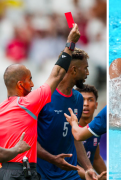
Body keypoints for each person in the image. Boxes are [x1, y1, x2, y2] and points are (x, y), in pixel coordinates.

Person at [0, 24, 80, 179]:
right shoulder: (28, 103)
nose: (32, 84)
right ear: (20, 85)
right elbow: (57, 74)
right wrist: (70, 43)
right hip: (22, 172)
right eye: (29, 80)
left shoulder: (1, 110)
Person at [36, 43, 100, 179]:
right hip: (43, 174)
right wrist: (52, 159)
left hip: (70, 174)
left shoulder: (78, 98)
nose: (88, 73)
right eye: (85, 68)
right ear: (74, 70)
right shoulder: (43, 97)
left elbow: (75, 137)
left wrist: (89, 168)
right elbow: (29, 139)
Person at [71, 84, 106, 180]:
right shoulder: (69, 128)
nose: (86, 104)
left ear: (96, 105)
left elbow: (96, 158)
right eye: (82, 100)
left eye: (90, 100)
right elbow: (67, 163)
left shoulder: (95, 129)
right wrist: (93, 175)